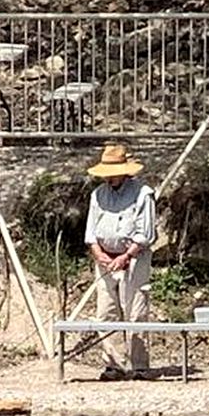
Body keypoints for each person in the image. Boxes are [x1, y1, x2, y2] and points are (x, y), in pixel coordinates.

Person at [85, 143, 156, 377]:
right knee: (106, 311)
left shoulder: (143, 194)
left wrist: (126, 256)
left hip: (134, 258)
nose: (109, 178)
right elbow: (91, 232)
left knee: (135, 310)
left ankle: (139, 366)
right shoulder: (98, 194)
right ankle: (113, 364)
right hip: (105, 259)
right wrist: (99, 254)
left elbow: (145, 234)